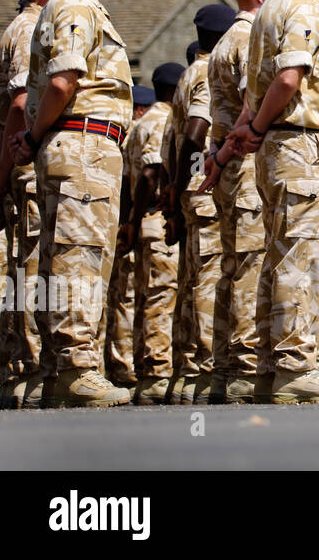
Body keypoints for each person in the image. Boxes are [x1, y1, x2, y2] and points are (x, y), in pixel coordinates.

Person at [210, 0, 319, 404]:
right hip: (297, 143)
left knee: (278, 257)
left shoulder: (267, 8)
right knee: (302, 257)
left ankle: (274, 367)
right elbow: (289, 78)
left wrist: (252, 128)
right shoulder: (301, 3)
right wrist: (256, 127)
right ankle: (296, 367)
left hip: (276, 146)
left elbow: (261, 85)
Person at [11, 0, 132, 407]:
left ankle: (71, 369)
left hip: (84, 146)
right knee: (78, 258)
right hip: (82, 143)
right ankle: (77, 368)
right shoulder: (76, 3)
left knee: (77, 258)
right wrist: (36, 133)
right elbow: (64, 82)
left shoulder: (76, 3)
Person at [205, 0, 277, 405]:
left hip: (228, 166)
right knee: (250, 268)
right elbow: (254, 106)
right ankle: (246, 368)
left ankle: (226, 368)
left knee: (232, 269)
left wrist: (217, 158)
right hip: (246, 163)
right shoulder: (251, 39)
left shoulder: (219, 45)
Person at [0, 0, 64, 409]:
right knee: (33, 269)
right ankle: (30, 370)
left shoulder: (29, 25)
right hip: (27, 168)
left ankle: (25, 371)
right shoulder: (30, 29)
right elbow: (21, 105)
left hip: (25, 166)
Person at [167, 3, 236, 403]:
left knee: (193, 280)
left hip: (191, 191)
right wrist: (189, 183)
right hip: (205, 187)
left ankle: (187, 372)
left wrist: (177, 194)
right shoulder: (209, 72)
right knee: (210, 280)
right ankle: (206, 369)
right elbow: (195, 134)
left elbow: (171, 144)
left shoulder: (185, 75)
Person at [125, 64, 184, 404]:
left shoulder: (138, 126)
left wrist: (129, 220)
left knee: (146, 299)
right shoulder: (161, 121)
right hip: (155, 219)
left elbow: (126, 182)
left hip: (141, 222)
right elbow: (150, 174)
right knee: (162, 299)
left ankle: (144, 371)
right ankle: (158, 373)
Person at [103, 85, 155, 388]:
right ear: (141, 110)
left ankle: (120, 366)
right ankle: (134, 367)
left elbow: (123, 185)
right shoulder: (146, 131)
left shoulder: (124, 137)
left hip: (123, 224)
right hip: (144, 221)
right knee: (143, 298)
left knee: (122, 299)